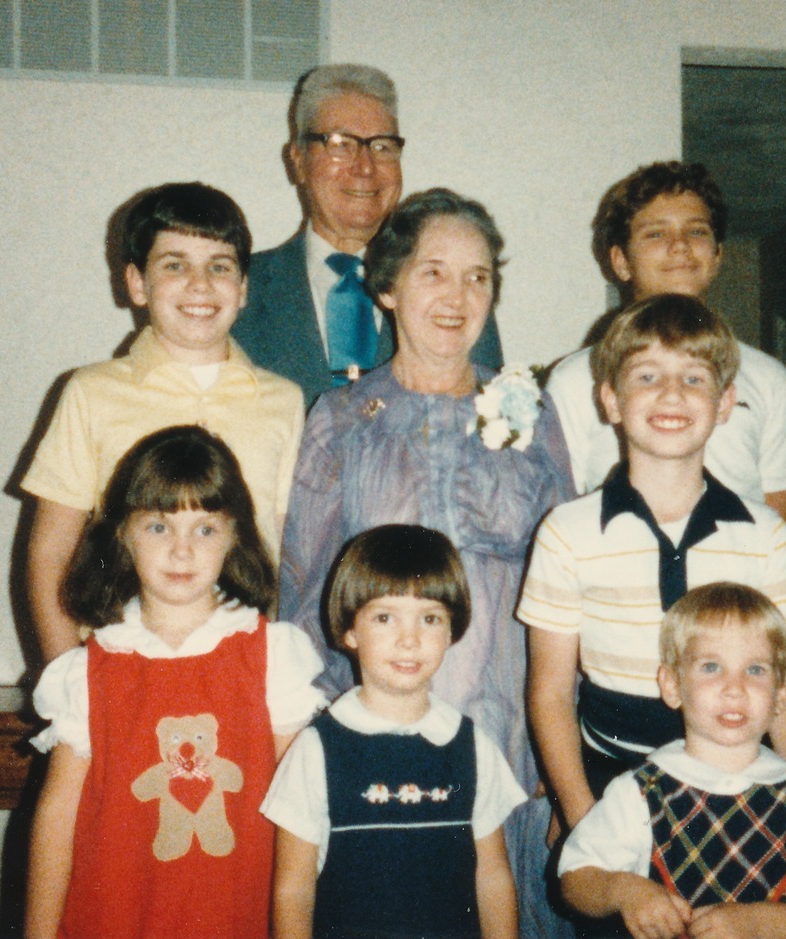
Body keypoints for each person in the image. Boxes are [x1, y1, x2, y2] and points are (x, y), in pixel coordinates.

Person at [278, 187, 576, 936]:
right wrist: (316, 745)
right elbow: (303, 592)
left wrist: (561, 760)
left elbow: (570, 591)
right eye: (434, 272)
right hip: (375, 753)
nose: (459, 295)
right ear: (386, 286)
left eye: (479, 277)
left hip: (511, 748)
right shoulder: (342, 418)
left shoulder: (532, 411)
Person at [519, 294, 786, 861]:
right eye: (647, 376)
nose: (671, 394)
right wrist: (582, 816)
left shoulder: (763, 536)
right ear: (610, 400)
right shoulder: (567, 531)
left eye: (693, 377)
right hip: (610, 781)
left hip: (739, 784)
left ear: (726, 402)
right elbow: (550, 693)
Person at [24, 425, 325, 939]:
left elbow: (303, 806)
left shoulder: (273, 655)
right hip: (119, 913)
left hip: (235, 910)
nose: (182, 551)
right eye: (159, 527)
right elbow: (56, 820)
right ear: (122, 533)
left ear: (235, 538)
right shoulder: (88, 672)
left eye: (205, 529)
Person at [21, 181, 305, 662]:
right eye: (175, 265)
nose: (200, 284)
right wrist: (66, 684)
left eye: (220, 267)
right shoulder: (91, 393)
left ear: (243, 288)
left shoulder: (283, 400)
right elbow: (50, 556)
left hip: (239, 668)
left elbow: (285, 558)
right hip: (118, 667)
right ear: (136, 283)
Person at [559, 583, 786, 939]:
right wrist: (624, 891)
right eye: (711, 667)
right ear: (673, 684)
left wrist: (755, 924)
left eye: (755, 670)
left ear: (781, 693)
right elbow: (576, 879)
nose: (734, 687)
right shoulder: (642, 791)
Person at [264, 524, 526, 939]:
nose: (409, 639)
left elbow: (492, 876)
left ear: (452, 630)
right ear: (350, 629)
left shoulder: (470, 746)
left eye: (430, 618)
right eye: (385, 617)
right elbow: (293, 889)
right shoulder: (317, 749)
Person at [545, 161, 786, 527]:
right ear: (621, 261)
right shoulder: (575, 379)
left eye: (696, 232)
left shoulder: (769, 379)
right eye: (655, 234)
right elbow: (558, 511)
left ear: (716, 256)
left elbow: (777, 521)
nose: (680, 246)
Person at [230, 64, 502, 407]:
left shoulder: (456, 294)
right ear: (297, 160)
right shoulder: (239, 288)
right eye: (341, 144)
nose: (365, 166)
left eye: (382, 146)